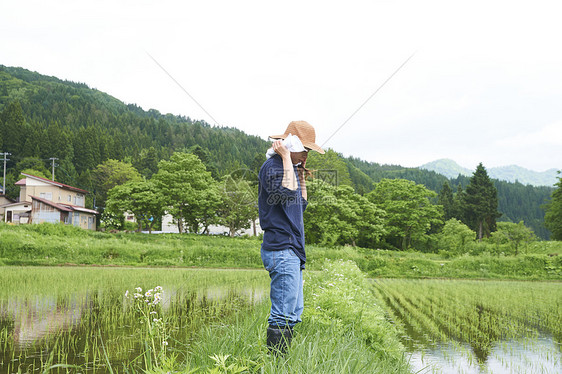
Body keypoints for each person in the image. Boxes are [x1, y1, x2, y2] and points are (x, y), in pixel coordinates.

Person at [258, 120, 324, 354]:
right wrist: (287, 158)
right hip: (281, 248)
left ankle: (281, 362)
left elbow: (300, 204)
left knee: (294, 312)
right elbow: (285, 194)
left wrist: (300, 174)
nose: (306, 155)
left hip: (292, 250)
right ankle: (276, 364)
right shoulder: (273, 167)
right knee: (282, 314)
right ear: (291, 145)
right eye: (304, 149)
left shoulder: (289, 170)